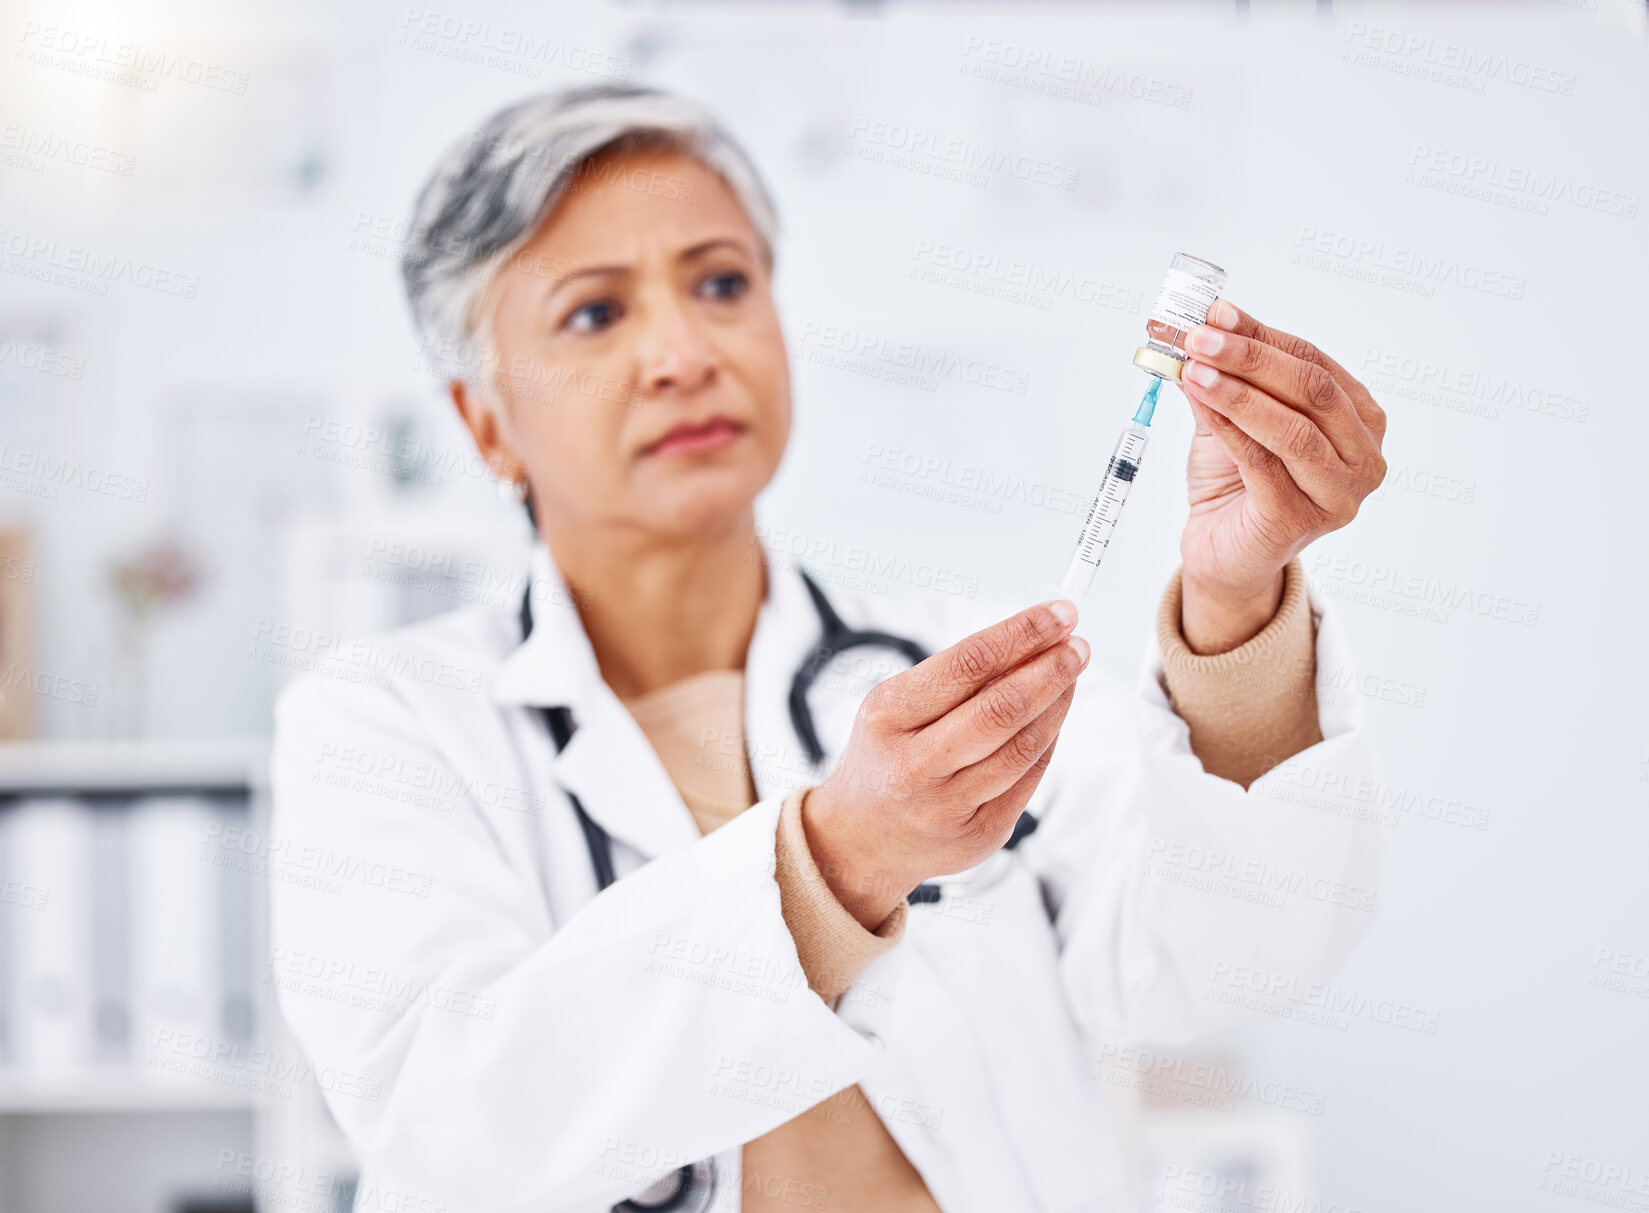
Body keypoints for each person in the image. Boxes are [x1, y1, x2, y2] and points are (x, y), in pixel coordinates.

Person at [269, 84, 1389, 1213]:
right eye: (594, 314)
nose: (681, 352)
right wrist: (836, 861)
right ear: (484, 422)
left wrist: (1237, 605)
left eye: (719, 284)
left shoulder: (953, 660)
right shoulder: (385, 724)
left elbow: (1227, 957)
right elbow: (450, 1131)